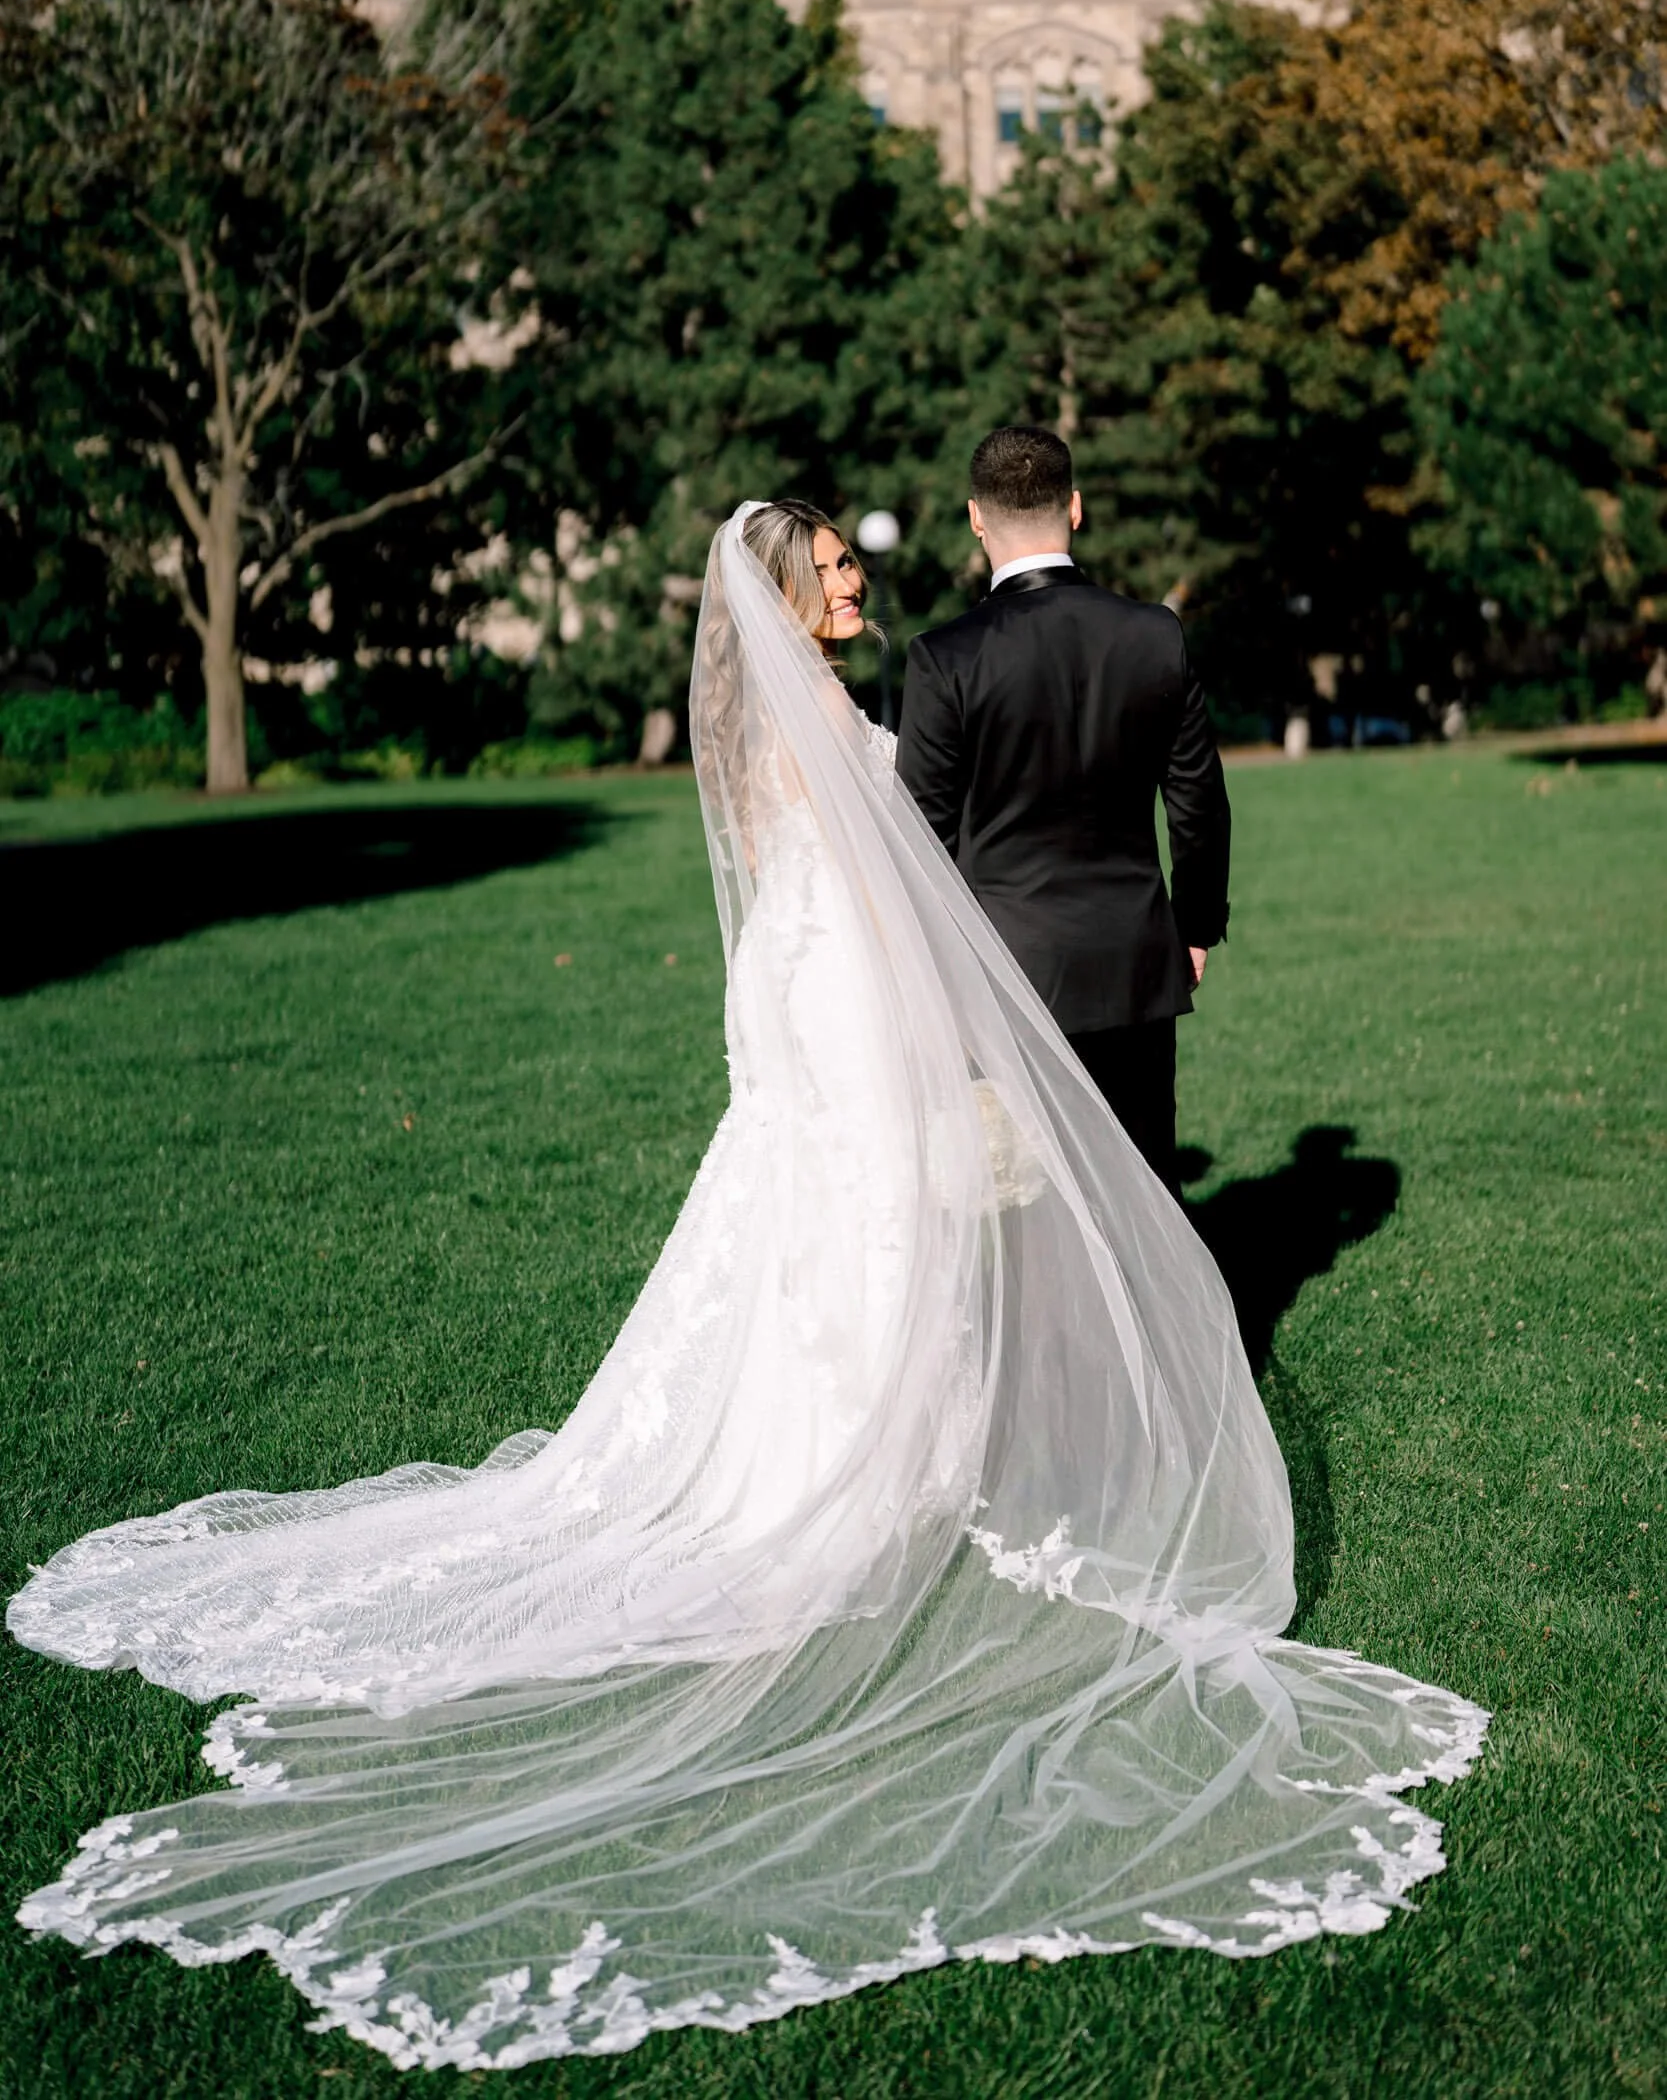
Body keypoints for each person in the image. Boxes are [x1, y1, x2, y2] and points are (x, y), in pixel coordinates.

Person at [7, 500, 1486, 2075]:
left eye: (855, 566)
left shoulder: (795, 702)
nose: (858, 582)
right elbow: (870, 875)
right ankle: (846, 1464)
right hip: (838, 985)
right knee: (854, 1226)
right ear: (784, 593)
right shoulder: (806, 712)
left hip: (807, 978)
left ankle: (884, 1441)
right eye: (834, 570)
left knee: (837, 1229)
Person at [897, 426, 1229, 1195]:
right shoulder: (1154, 633)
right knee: (1143, 1190)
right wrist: (1194, 927)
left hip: (1010, 970)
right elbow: (1198, 807)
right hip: (1135, 955)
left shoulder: (946, 656)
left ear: (976, 518)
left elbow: (922, 839)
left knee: (1034, 1205)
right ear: (1074, 508)